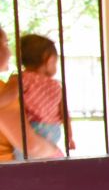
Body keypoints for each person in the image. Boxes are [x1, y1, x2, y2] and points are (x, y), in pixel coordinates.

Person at [0, 26, 62, 162]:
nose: (10, 53)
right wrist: (56, 153)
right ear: (49, 59)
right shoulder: (5, 91)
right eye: (5, 44)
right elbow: (31, 147)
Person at [5, 33, 74, 154]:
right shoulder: (56, 85)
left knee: (23, 160)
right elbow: (65, 114)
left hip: (32, 129)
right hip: (54, 131)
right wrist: (70, 137)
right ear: (50, 60)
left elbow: (10, 94)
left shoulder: (22, 79)